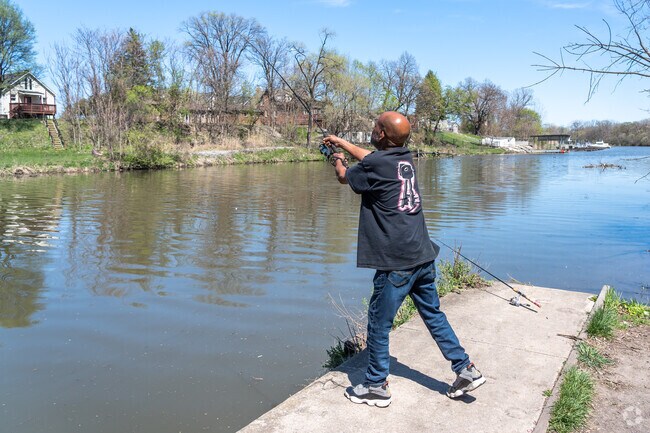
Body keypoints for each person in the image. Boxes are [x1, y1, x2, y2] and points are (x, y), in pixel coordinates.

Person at [322, 111, 485, 408]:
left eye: (375, 126)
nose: (372, 129)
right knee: (433, 315)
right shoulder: (404, 158)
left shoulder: (373, 164)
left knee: (378, 322)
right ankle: (465, 369)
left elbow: (346, 177)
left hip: (396, 263)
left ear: (382, 134)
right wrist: (342, 142)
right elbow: (370, 157)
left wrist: (335, 158)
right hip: (422, 256)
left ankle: (375, 385)